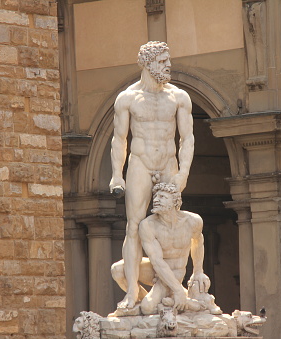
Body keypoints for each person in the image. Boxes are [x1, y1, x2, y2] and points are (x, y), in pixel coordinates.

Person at [109, 41, 194, 310]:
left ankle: (174, 285)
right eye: (162, 61)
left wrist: (183, 174)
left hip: (167, 162)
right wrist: (116, 175)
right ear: (147, 63)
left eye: (168, 60)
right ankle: (132, 291)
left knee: (172, 221)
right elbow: (118, 139)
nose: (168, 66)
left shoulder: (179, 97)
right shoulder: (127, 98)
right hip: (140, 164)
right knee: (133, 225)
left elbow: (187, 139)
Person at [111, 183, 210, 315]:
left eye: (162, 197)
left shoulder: (193, 221)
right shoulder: (148, 225)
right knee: (117, 270)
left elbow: (198, 242)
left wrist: (198, 271)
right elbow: (157, 261)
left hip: (176, 271)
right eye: (155, 197)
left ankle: (185, 302)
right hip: (156, 269)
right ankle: (141, 301)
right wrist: (178, 290)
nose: (156, 200)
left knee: (148, 308)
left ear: (175, 201)